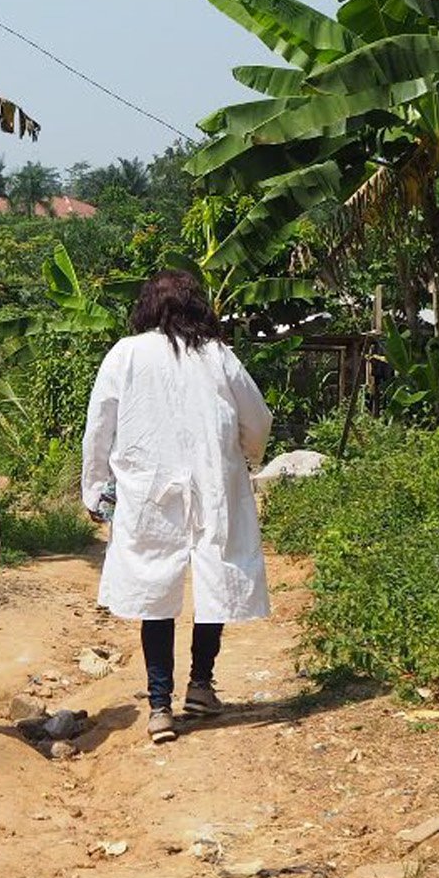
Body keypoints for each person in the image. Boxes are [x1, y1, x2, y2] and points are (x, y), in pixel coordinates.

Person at [81, 269, 272, 746]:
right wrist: (246, 455)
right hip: (213, 487)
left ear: (148, 306)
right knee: (215, 578)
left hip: (148, 493)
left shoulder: (125, 354)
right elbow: (258, 419)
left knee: (155, 592)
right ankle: (201, 684)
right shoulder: (218, 356)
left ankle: (159, 707)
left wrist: (95, 488)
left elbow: (99, 427)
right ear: (195, 306)